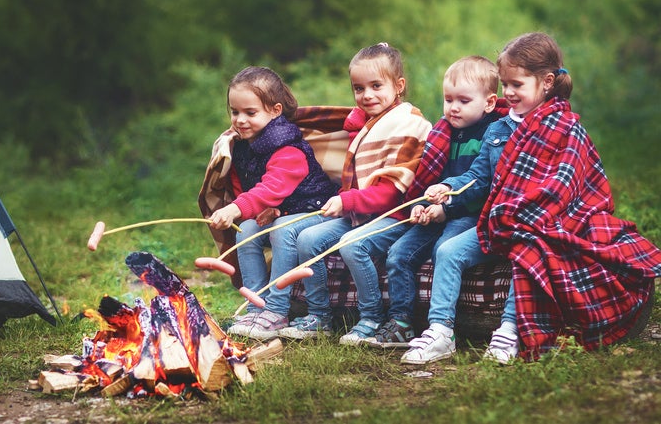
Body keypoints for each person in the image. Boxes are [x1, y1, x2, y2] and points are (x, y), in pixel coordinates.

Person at [472, 32, 660, 361]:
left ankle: (509, 329)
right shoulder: (506, 126)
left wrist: (519, 213)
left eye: (516, 84)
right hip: (518, 215)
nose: (508, 92)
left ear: (546, 82)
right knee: (528, 241)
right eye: (505, 85)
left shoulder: (566, 126)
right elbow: (498, 179)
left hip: (561, 214)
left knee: (540, 244)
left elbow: (563, 184)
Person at [294, 42, 432, 343]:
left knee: (352, 244)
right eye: (358, 88)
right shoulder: (368, 125)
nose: (366, 95)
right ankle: (319, 317)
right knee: (307, 239)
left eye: (376, 86)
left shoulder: (409, 125)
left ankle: (371, 316)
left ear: (399, 86)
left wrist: (346, 200)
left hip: (393, 215)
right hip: (360, 213)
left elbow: (391, 194)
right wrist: (355, 127)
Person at [371, 56, 504, 349]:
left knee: (447, 248)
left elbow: (480, 185)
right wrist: (420, 204)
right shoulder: (443, 134)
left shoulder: (493, 134)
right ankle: (402, 321)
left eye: (463, 100)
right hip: (438, 210)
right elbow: (428, 178)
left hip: (468, 214)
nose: (453, 107)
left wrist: (445, 206)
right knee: (398, 254)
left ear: (489, 103)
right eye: (448, 99)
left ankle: (442, 326)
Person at [207, 66, 340, 341]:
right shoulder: (242, 146)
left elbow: (272, 187)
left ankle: (278, 311)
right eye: (235, 112)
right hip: (288, 209)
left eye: (250, 113)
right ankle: (258, 305)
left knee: (282, 228)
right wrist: (257, 211)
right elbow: (251, 190)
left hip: (319, 209)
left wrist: (236, 207)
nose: (240, 120)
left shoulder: (287, 147)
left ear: (275, 110)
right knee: (248, 230)